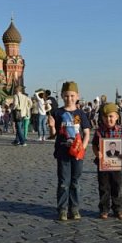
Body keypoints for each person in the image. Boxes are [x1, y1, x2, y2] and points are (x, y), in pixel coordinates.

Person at [48, 81, 91, 221]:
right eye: (66, 96)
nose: (69, 98)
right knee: (63, 182)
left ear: (77, 96)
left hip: (77, 153)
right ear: (61, 96)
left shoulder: (80, 114)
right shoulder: (57, 113)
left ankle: (74, 208)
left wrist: (82, 148)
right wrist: (52, 127)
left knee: (75, 182)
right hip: (62, 152)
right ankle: (62, 209)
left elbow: (86, 133)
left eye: (72, 95)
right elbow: (54, 134)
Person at [92, 103, 122, 220]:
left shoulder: (121, 131)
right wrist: (97, 153)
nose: (109, 119)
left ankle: (117, 208)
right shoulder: (99, 131)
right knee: (104, 187)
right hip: (103, 164)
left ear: (117, 117)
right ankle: (104, 209)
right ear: (102, 118)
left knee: (117, 186)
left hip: (116, 164)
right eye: (106, 117)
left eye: (111, 116)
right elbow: (94, 144)